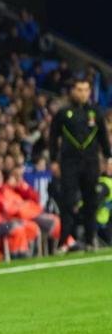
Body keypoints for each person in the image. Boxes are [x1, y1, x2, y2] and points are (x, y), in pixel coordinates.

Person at [47, 78, 110, 250]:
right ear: (72, 91)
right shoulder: (63, 113)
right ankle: (64, 241)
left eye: (85, 90)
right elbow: (53, 137)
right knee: (67, 202)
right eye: (79, 89)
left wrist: (109, 157)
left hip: (91, 163)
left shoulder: (95, 112)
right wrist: (53, 160)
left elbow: (103, 137)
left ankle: (91, 240)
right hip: (69, 163)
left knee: (91, 201)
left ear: (90, 92)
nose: (82, 93)